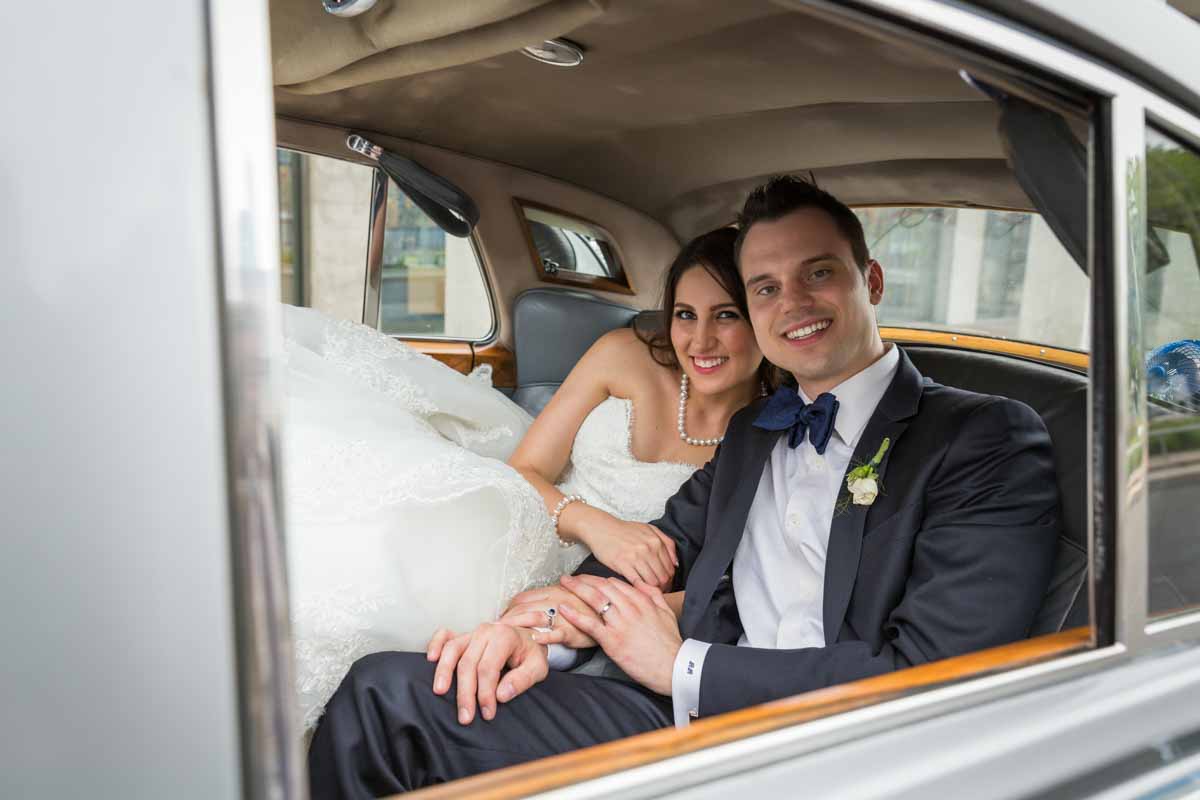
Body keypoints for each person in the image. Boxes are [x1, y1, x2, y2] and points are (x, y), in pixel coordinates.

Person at [307, 175, 1061, 797]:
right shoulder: (755, 432)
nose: (791, 303)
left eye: (818, 273)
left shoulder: (982, 438)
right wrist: (539, 629)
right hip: (676, 713)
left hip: (827, 752)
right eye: (765, 288)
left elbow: (934, 675)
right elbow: (658, 550)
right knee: (386, 696)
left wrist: (681, 667)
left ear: (871, 281)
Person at [284, 228, 767, 732]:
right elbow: (524, 471)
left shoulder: (770, 440)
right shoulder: (622, 354)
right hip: (533, 523)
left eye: (726, 315)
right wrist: (597, 525)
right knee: (371, 554)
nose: (700, 340)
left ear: (761, 315)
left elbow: (727, 582)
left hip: (598, 591)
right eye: (685, 315)